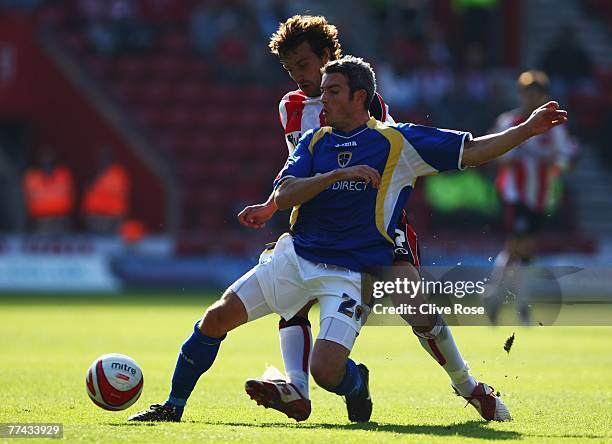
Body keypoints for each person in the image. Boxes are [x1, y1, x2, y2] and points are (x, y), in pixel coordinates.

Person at [128, 55, 566, 423]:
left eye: (332, 90)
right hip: (296, 257)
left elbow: (470, 151)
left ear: (359, 97)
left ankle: (360, 383)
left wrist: (526, 130)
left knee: (327, 370)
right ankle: (173, 407)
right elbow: (284, 194)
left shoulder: (398, 142)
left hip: (351, 275)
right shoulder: (316, 141)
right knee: (215, 318)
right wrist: (337, 173)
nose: (323, 98)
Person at [237, 15, 497, 424]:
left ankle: (468, 386)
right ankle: (298, 389)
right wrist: (274, 204)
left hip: (371, 225)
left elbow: (391, 154)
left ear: (327, 58)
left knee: (416, 310)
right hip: (317, 224)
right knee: (292, 296)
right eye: (290, 70)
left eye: (304, 66)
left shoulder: (363, 99)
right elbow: (297, 167)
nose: (298, 77)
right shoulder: (290, 108)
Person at [485, 70, 575, 324]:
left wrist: (556, 162)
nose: (530, 97)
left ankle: (493, 294)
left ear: (544, 96)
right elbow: (496, 154)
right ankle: (521, 306)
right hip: (515, 194)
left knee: (520, 250)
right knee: (521, 246)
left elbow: (565, 159)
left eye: (535, 92)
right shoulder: (509, 121)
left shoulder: (554, 127)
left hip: (540, 197)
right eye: (526, 92)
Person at [22, 147, 75, 235]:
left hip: (61, 220)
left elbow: (71, 197)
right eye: (44, 161)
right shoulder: (32, 177)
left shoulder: (63, 175)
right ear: (38, 162)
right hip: (40, 221)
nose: (47, 163)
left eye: (50, 160)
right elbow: (26, 201)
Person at [82, 146, 130, 234]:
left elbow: (118, 195)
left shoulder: (118, 174)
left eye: (106, 157)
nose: (103, 160)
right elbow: (88, 199)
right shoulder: (94, 174)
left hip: (112, 219)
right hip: (95, 218)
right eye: (101, 158)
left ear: (112, 158)